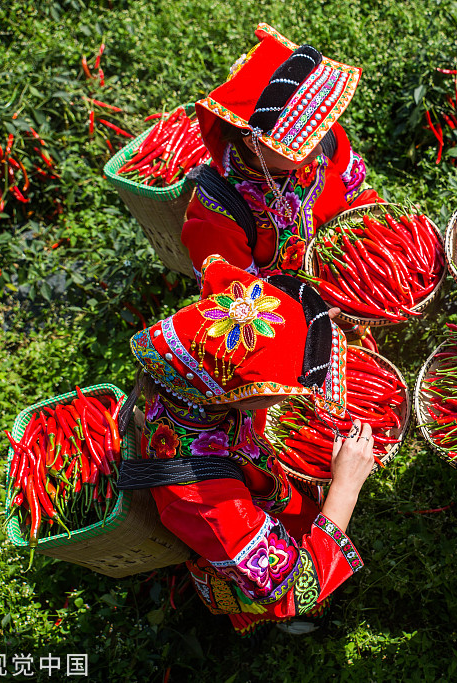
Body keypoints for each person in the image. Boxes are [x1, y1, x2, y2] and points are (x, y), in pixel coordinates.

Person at [122, 254, 374, 635]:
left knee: (298, 511)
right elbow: (289, 585)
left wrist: (306, 330)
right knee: (288, 603)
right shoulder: (204, 501)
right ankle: (289, 624)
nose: (290, 398)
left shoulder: (192, 375)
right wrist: (346, 487)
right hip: (240, 557)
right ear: (242, 396)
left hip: (257, 489)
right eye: (280, 392)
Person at [182, 23, 380, 281]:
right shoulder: (218, 212)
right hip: (293, 312)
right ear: (254, 143)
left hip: (356, 274)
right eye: (302, 142)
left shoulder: (325, 135)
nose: (319, 148)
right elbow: (241, 298)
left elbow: (356, 198)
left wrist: (379, 237)